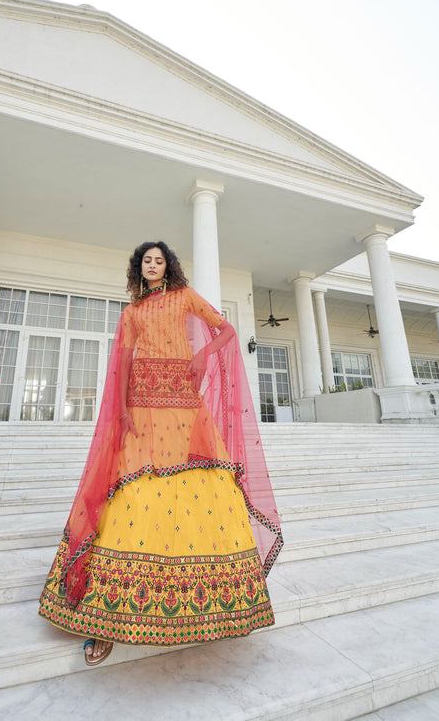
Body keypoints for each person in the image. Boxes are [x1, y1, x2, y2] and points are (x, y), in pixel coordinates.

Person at [39, 241, 282, 665]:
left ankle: (209, 610)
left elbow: (224, 330)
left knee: (200, 492)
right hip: (143, 404)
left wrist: (202, 355)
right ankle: (105, 620)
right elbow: (123, 363)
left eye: (159, 259)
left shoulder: (185, 297)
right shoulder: (131, 313)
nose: (154, 265)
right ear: (139, 268)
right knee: (131, 494)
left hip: (184, 403)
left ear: (168, 265)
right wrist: (123, 410)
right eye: (146, 260)